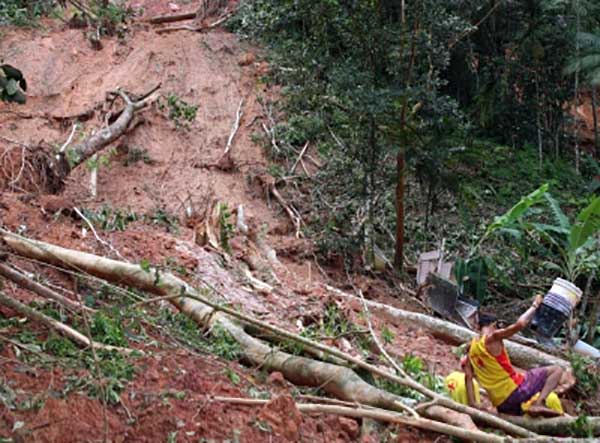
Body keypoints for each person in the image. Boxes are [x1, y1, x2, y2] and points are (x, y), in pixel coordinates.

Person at [464, 295, 565, 417]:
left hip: (501, 404)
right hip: (516, 391)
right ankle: (539, 403)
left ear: (478, 326)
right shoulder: (493, 337)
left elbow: (468, 376)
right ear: (494, 325)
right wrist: (534, 306)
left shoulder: (471, 348)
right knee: (557, 370)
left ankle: (532, 409)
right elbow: (520, 324)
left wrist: (473, 403)